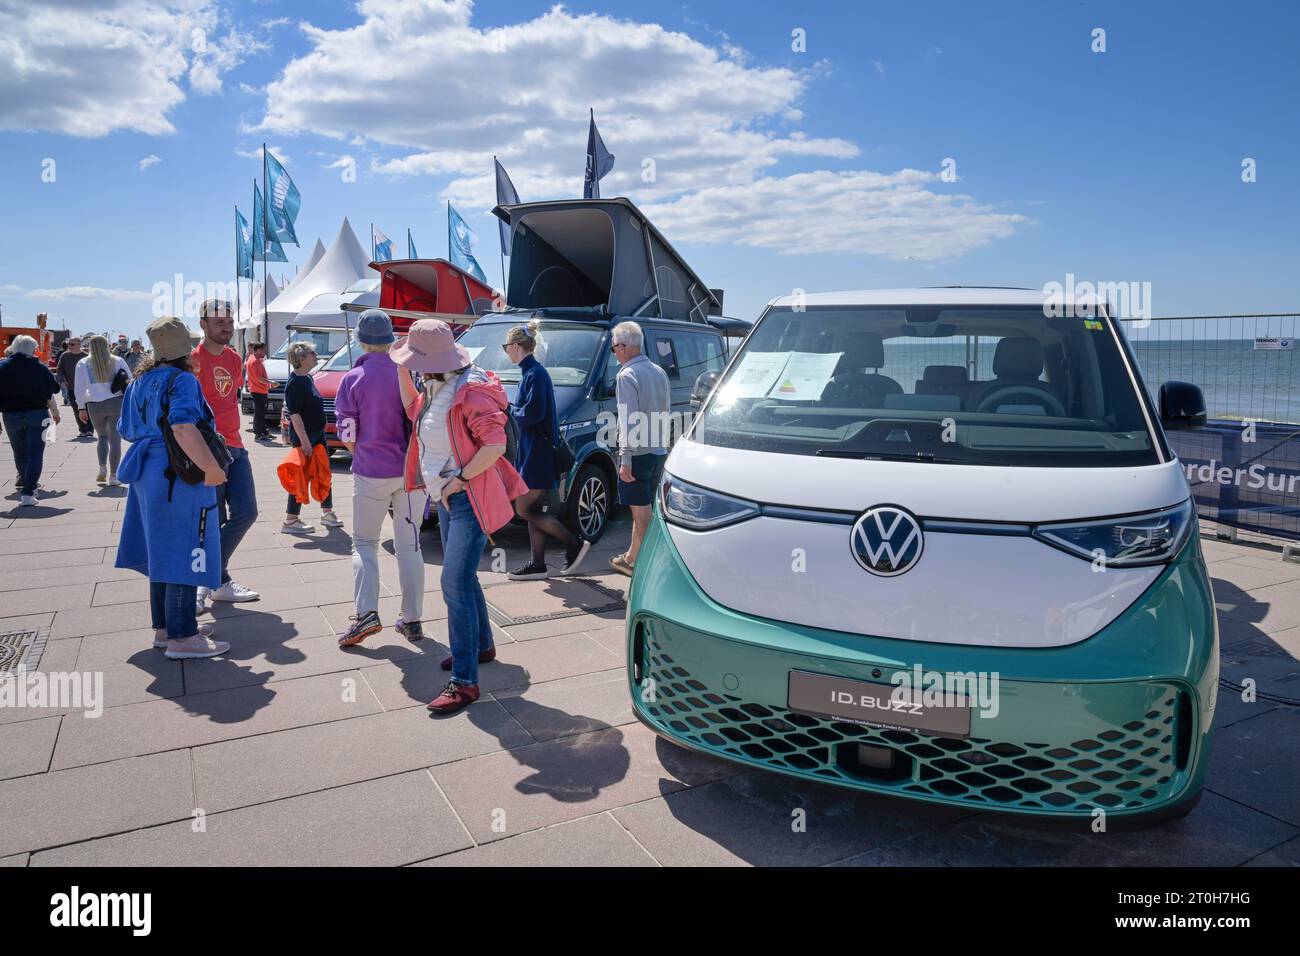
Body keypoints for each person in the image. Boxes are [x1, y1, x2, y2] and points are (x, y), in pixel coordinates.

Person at [392, 319, 528, 715]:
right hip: (450, 498)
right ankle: (481, 646)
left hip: (466, 497)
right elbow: (411, 410)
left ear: (433, 360)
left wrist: (458, 481)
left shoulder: (470, 391)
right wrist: (402, 365)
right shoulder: (435, 386)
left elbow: (495, 444)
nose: (412, 366)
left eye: (415, 360)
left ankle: (465, 682)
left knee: (453, 583)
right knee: (464, 579)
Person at [116, 316, 229, 659]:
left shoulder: (140, 380)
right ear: (184, 350)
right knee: (185, 548)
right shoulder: (181, 380)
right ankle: (182, 637)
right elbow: (182, 426)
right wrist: (211, 468)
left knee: (161, 550)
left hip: (146, 472)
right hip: (177, 473)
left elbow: (125, 428)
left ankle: (166, 629)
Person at [334, 311, 428, 646]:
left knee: (364, 543)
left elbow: (347, 434)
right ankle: (413, 618)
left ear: (360, 340)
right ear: (391, 338)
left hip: (372, 470)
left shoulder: (352, 378)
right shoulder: (410, 372)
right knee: (410, 545)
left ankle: (366, 614)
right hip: (411, 472)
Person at [504, 322, 589, 580]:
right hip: (534, 451)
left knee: (523, 508)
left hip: (537, 453)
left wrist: (509, 410)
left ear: (516, 346)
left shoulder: (535, 374)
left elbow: (533, 413)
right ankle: (538, 563)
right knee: (533, 511)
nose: (506, 351)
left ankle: (574, 543)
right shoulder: (532, 373)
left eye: (506, 346)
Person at [191, 299, 259, 608]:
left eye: (230, 321)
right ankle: (214, 580)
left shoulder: (234, 359)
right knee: (212, 519)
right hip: (208, 451)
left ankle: (210, 577)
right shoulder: (194, 359)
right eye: (219, 322)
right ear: (203, 324)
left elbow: (230, 397)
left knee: (247, 512)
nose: (227, 327)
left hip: (236, 446)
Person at [609, 320, 670, 577]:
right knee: (643, 508)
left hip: (638, 454)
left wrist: (625, 458)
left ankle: (650, 572)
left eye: (613, 349)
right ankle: (631, 558)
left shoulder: (626, 375)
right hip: (658, 450)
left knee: (642, 514)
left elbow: (628, 419)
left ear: (623, 347)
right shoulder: (659, 371)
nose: (614, 354)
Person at [281, 341, 343, 534]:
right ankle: (291, 521)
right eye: (313, 353)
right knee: (301, 477)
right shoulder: (295, 383)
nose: (317, 356)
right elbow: (295, 415)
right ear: (301, 359)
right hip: (306, 438)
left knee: (323, 472)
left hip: (317, 436)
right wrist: (305, 441)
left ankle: (327, 513)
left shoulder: (306, 378)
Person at [0, 335, 61, 506]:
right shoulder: (40, 368)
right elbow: (55, 389)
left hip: (11, 415)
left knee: (19, 451)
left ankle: (26, 481)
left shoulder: (2, 367)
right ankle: (29, 491)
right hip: (38, 414)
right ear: (32, 349)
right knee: (35, 454)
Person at [74, 334, 131, 486]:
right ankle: (113, 475)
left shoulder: (83, 363)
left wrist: (81, 407)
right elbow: (130, 379)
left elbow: (79, 389)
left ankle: (102, 468)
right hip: (115, 403)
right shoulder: (117, 360)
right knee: (115, 441)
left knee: (102, 438)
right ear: (107, 346)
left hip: (94, 405)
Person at [56, 337, 95, 438]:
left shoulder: (86, 357)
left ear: (79, 345)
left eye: (72, 344)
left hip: (86, 389)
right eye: (68, 344)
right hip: (71, 388)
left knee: (88, 408)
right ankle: (82, 430)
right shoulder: (64, 356)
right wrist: (61, 381)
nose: (69, 346)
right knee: (76, 409)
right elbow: (59, 370)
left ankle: (90, 430)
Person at [244, 342, 272, 441]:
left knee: (261, 412)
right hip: (258, 390)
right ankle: (258, 433)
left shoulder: (253, 359)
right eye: (264, 350)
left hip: (259, 390)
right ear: (258, 350)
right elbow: (259, 378)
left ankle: (264, 431)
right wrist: (271, 382)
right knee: (259, 413)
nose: (265, 352)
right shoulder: (255, 361)